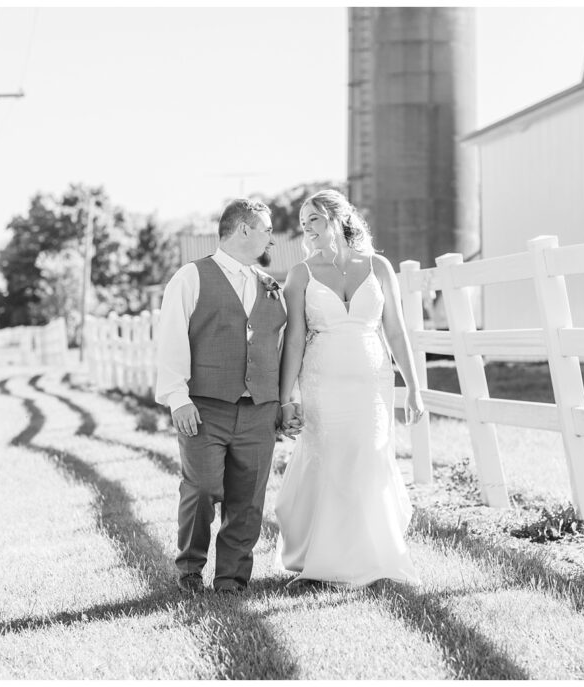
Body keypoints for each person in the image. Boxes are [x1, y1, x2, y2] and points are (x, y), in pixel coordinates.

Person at [274, 189, 425, 588]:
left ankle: (374, 557)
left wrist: (414, 387)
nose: (307, 230)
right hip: (322, 381)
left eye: (314, 220)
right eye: (303, 223)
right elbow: (293, 340)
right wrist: (286, 397)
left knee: (368, 459)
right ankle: (320, 564)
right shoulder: (300, 274)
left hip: (371, 383)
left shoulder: (378, 267)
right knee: (331, 460)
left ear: (337, 219)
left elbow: (395, 329)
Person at [155, 198, 297, 594]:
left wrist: (286, 401)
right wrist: (177, 398)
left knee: (248, 499)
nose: (272, 236)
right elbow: (171, 338)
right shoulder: (191, 276)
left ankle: (232, 578)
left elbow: (283, 349)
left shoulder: (271, 287)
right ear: (244, 229)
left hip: (260, 410)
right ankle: (189, 569)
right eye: (267, 229)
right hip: (204, 407)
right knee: (200, 489)